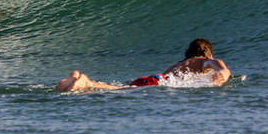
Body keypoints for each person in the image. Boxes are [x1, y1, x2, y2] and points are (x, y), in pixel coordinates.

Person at [55, 38, 231, 92]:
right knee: (118, 90)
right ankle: (85, 81)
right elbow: (221, 67)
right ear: (208, 53)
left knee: (119, 88)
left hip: (153, 78)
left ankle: (76, 79)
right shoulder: (203, 62)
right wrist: (223, 74)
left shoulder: (179, 64)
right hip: (157, 82)